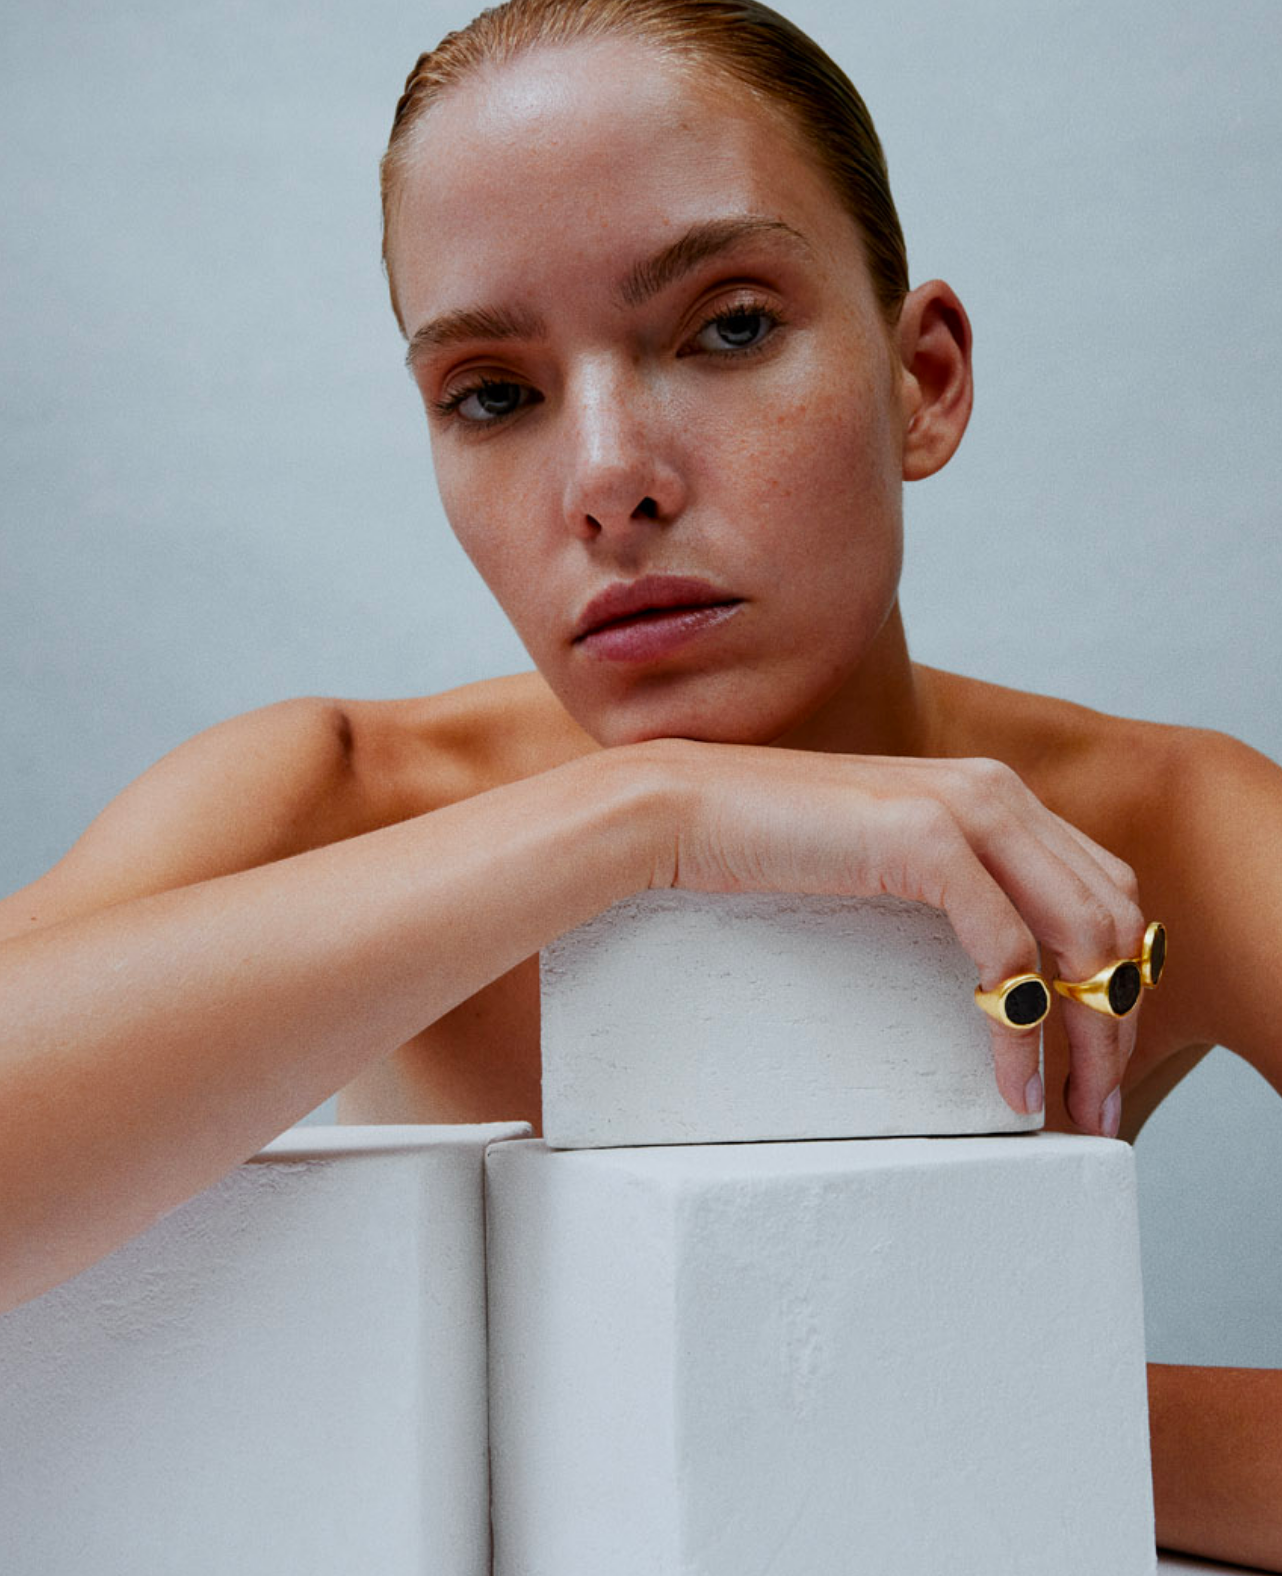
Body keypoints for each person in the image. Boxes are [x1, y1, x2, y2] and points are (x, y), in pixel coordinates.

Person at [1, 0, 1278, 1563]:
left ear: (923, 379)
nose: (608, 478)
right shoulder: (325, 799)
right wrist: (634, 822)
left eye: (728, 325)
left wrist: (948, 1399)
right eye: (491, 392)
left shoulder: (1166, 837)